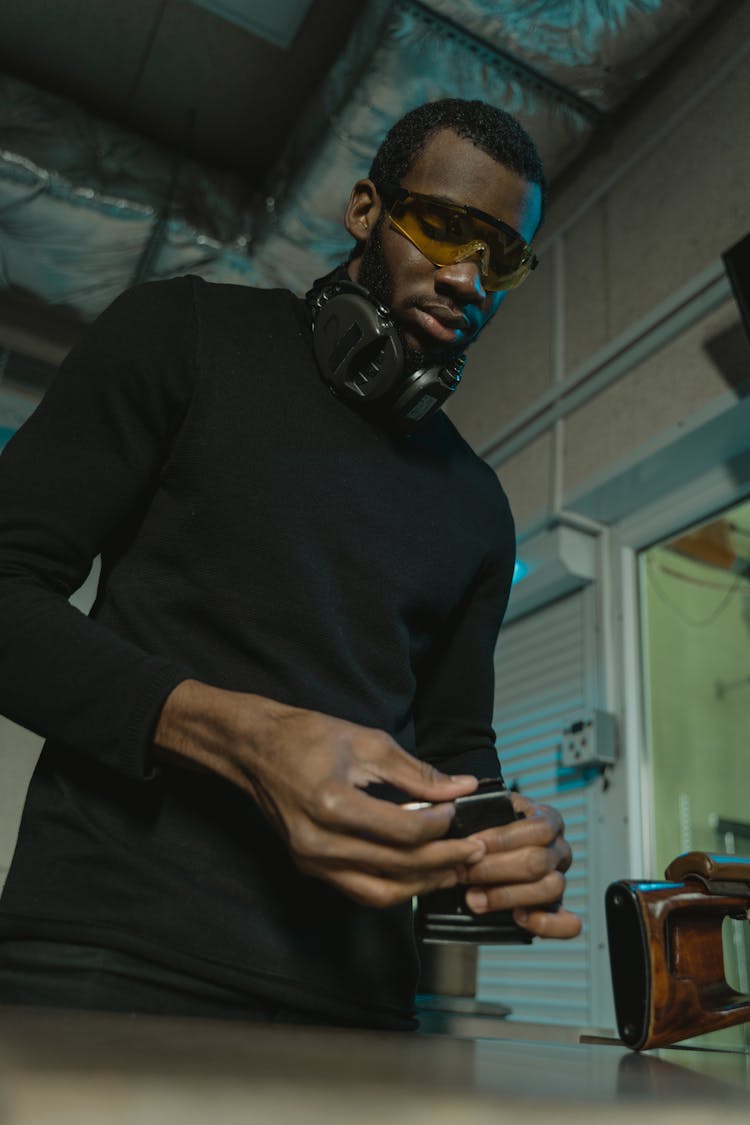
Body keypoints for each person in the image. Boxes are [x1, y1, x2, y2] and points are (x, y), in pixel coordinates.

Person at [0, 98, 580, 1029]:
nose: (469, 279)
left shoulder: (479, 506)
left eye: (499, 257)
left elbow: (457, 751)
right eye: (443, 230)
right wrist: (239, 734)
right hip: (107, 952)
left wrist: (502, 852)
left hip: (359, 1004)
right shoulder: (178, 332)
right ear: (364, 210)